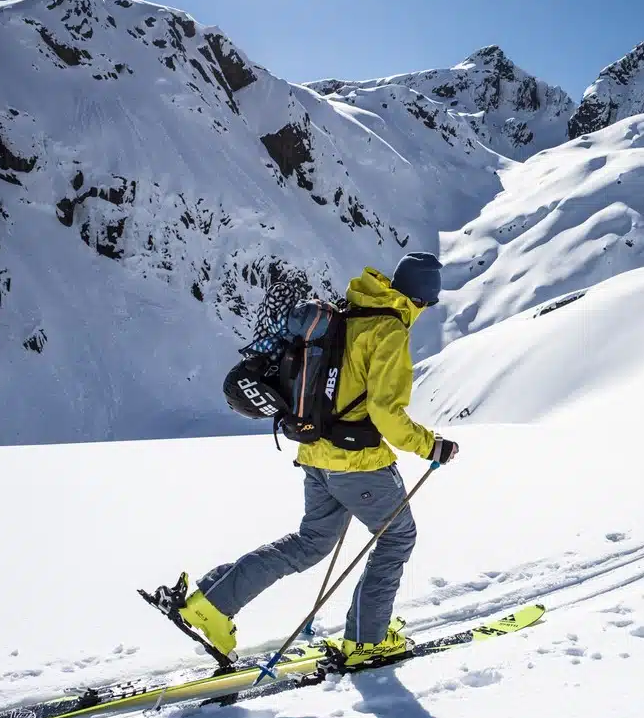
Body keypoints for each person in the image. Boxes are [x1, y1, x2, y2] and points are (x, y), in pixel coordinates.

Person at [167, 252, 459, 668]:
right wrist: (432, 445)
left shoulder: (351, 312)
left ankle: (210, 604)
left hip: (315, 455)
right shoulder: (388, 330)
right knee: (396, 537)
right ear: (425, 298)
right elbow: (385, 413)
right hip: (358, 463)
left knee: (309, 544)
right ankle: (367, 641)